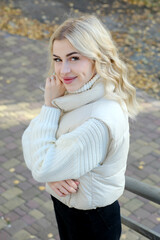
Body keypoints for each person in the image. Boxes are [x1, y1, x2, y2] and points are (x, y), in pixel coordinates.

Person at [22, 15, 139, 240]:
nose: (63, 70)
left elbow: (40, 165)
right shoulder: (78, 92)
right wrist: (52, 171)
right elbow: (29, 138)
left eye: (74, 58)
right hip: (69, 207)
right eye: (57, 59)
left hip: (91, 220)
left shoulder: (97, 121)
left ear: (98, 57)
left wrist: (49, 108)